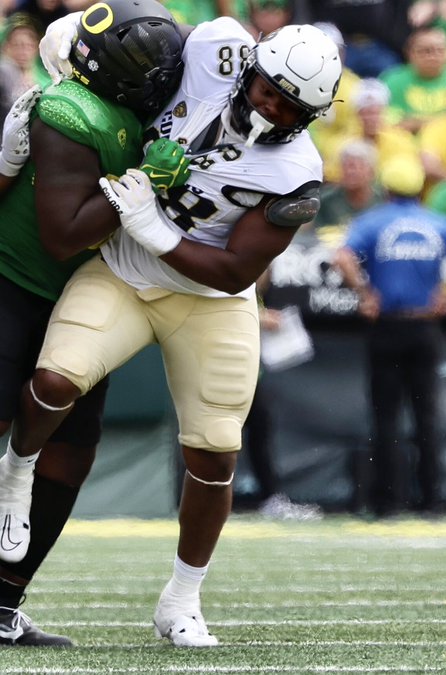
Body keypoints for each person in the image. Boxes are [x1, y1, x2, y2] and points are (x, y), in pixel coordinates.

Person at [4, 18, 340, 647]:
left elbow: (237, 267)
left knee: (214, 452)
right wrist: (64, 44)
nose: (271, 107)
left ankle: (181, 601)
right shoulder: (214, 47)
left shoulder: (297, 172)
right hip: (124, 274)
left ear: (311, 114)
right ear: (252, 67)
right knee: (55, 379)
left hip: (210, 299)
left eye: (290, 105)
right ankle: (15, 475)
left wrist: (157, 229)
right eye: (268, 89)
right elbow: (133, 34)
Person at [0, 0, 186, 647]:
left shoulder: (140, 104)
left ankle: (2, 602)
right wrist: (139, 183)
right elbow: (60, 235)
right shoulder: (68, 110)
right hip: (15, 282)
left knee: (71, 453)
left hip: (86, 293)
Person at [334, 162, 446, 516]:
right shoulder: (435, 222)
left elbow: (341, 255)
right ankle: (432, 500)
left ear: (386, 191)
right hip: (424, 328)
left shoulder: (373, 221)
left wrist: (365, 292)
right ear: (422, 192)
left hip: (386, 326)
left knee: (385, 416)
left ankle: (388, 501)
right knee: (427, 416)